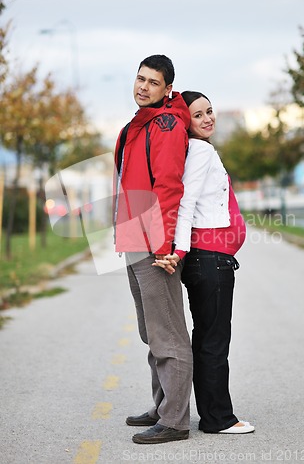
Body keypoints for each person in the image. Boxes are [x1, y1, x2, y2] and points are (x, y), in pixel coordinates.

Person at [154, 91, 255, 435]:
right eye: (198, 115)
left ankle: (210, 412)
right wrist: (180, 251)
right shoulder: (201, 150)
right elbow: (186, 202)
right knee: (213, 341)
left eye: (210, 111)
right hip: (209, 260)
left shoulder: (194, 149)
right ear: (187, 122)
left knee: (206, 338)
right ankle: (218, 418)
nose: (208, 118)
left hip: (209, 259)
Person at [113, 55, 193, 444]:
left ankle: (175, 420)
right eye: (140, 79)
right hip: (135, 239)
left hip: (153, 244)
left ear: (167, 89)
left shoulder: (164, 125)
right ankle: (162, 406)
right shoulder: (139, 124)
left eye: (153, 82)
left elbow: (168, 188)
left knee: (169, 335)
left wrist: (165, 247)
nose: (143, 87)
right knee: (151, 331)